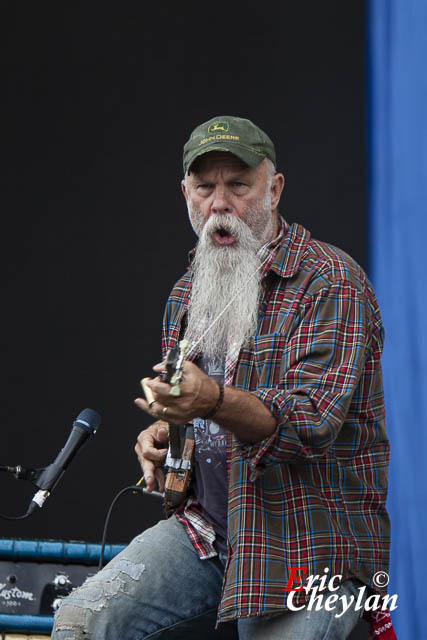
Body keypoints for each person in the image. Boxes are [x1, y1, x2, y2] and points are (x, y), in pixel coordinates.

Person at [52, 116, 393, 639]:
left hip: (308, 550)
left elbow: (312, 421)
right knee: (79, 621)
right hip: (209, 532)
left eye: (238, 185)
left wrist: (209, 400)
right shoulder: (188, 292)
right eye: (205, 187)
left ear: (274, 189)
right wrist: (167, 435)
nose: (219, 204)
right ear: (185, 193)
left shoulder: (332, 281)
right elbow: (198, 415)